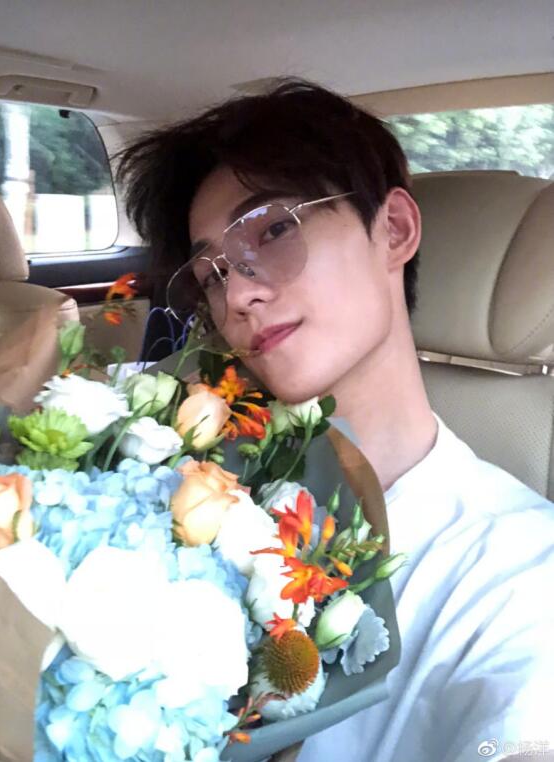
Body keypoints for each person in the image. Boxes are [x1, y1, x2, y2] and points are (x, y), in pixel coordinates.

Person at [117, 80, 554, 762]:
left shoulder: (516, 570)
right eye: (211, 275)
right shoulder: (195, 493)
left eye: (274, 230)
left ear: (395, 230)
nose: (238, 294)